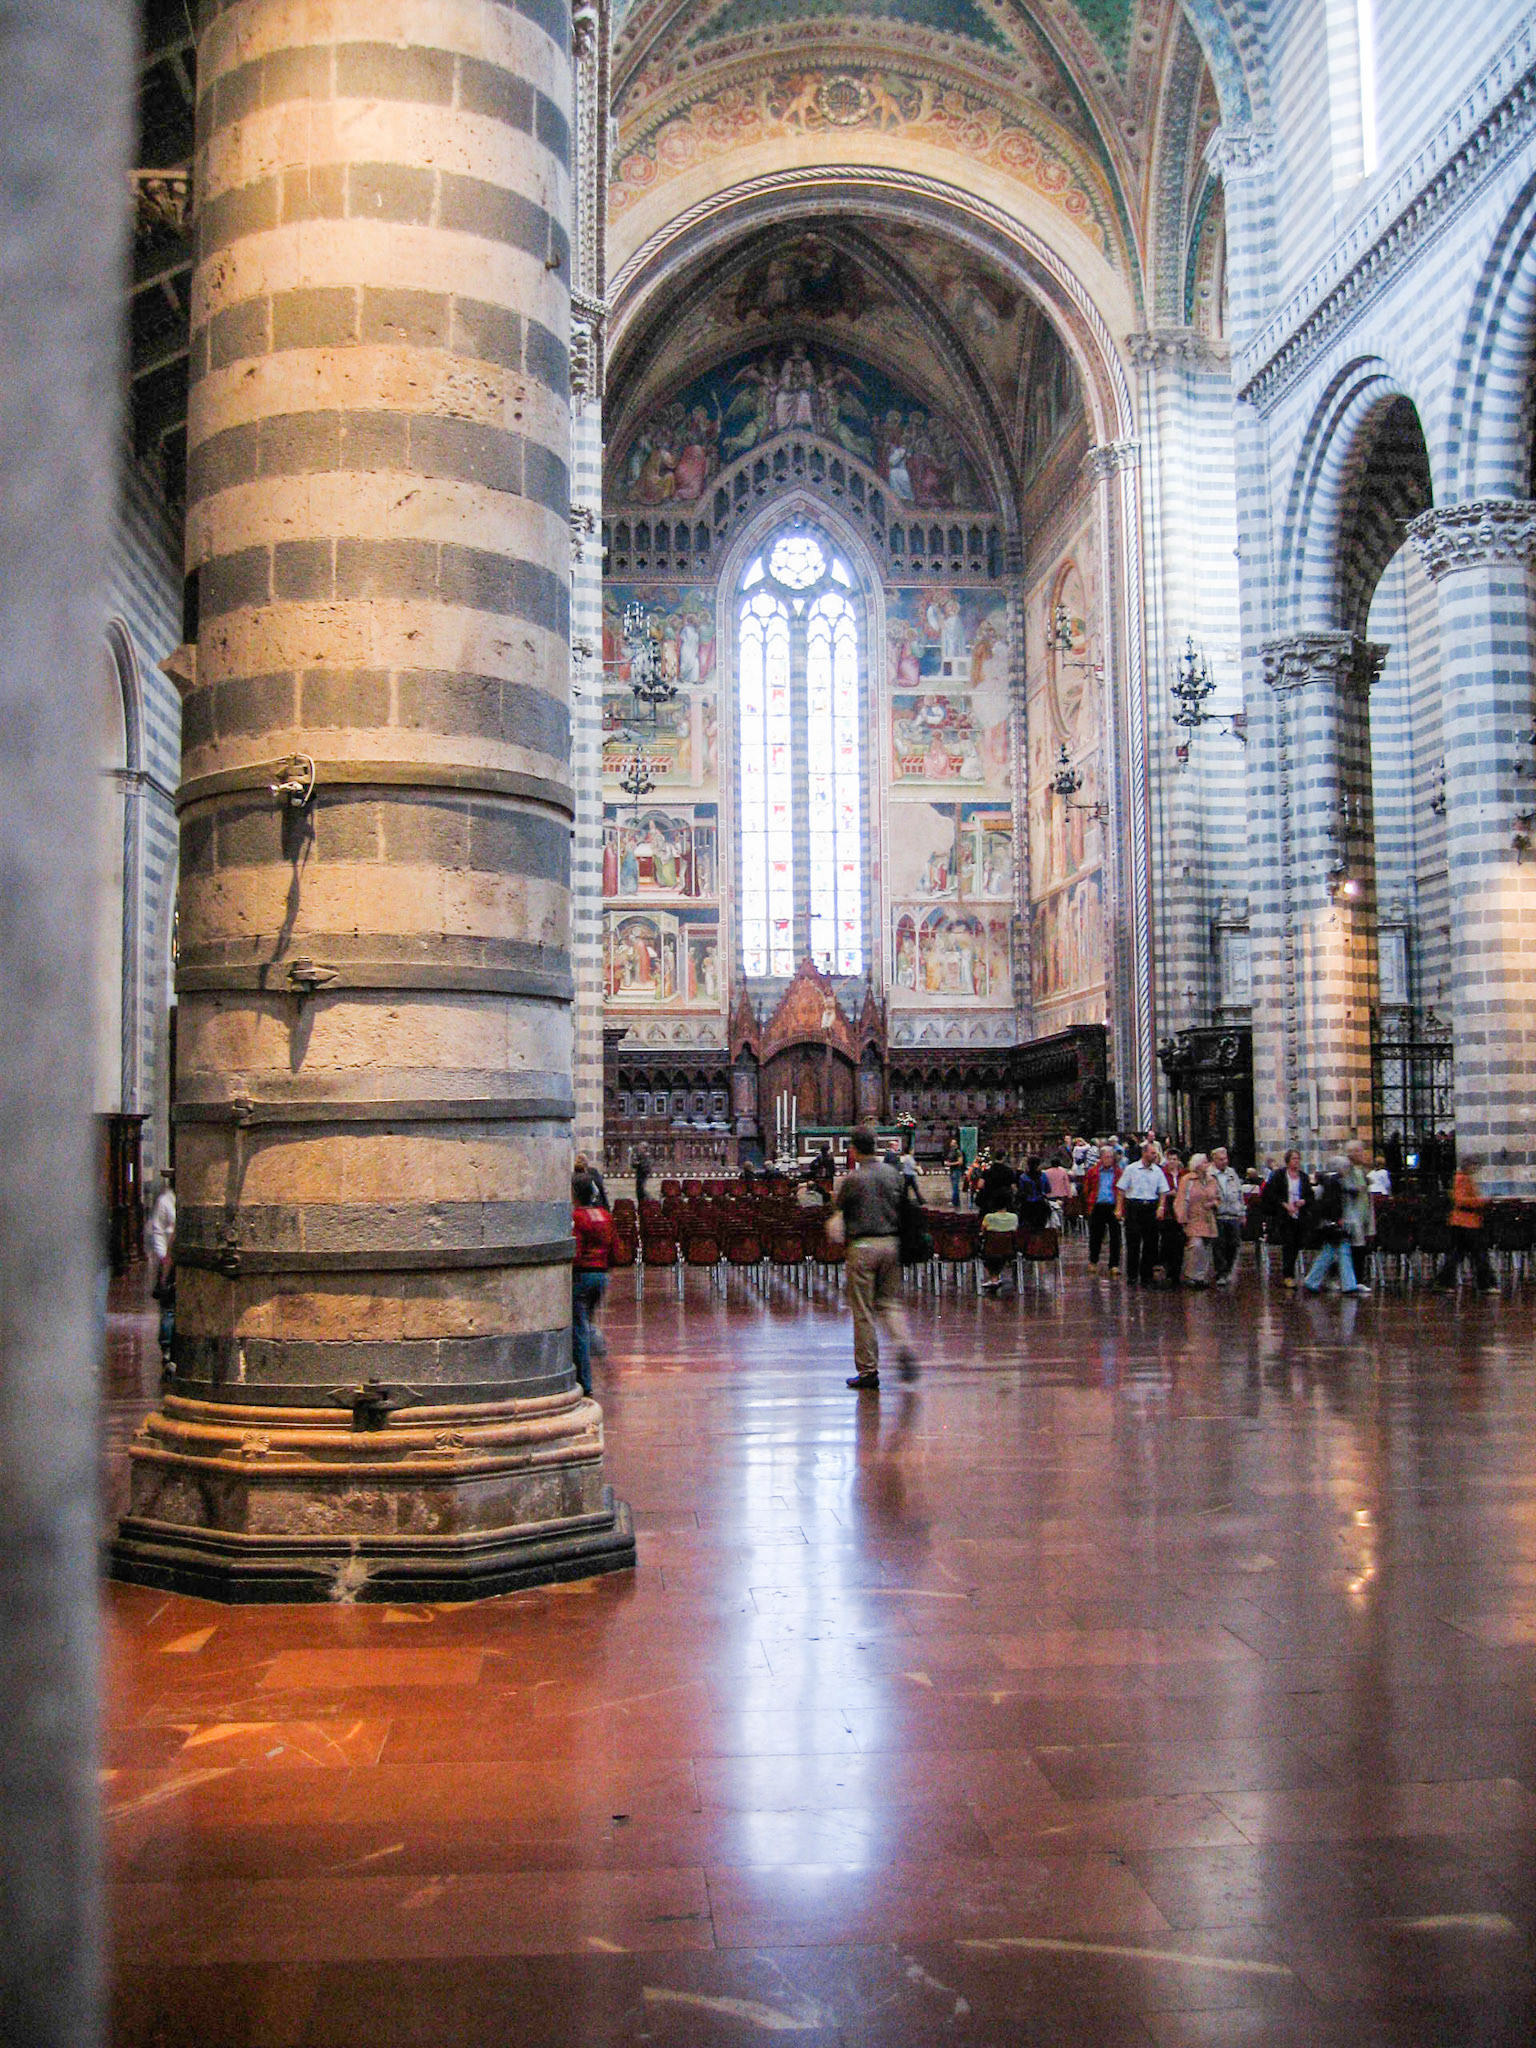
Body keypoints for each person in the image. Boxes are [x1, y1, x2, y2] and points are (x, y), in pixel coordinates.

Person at [834, 1127, 917, 1389]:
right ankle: (903, 1345)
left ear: (854, 1150)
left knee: (864, 1311)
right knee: (889, 1303)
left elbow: (839, 1211)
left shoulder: (853, 1179)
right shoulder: (892, 1174)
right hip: (891, 1244)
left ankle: (868, 1370)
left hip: (863, 1246)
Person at [571, 1172, 618, 1396]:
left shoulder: (577, 1216)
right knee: (587, 1322)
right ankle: (599, 1350)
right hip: (601, 1274)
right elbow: (614, 1246)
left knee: (579, 1328)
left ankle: (584, 1382)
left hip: (583, 1275)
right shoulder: (605, 1215)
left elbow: (577, 1250)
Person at [1302, 1155, 1367, 1296]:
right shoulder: (1335, 1182)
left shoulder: (1329, 1181)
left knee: (1332, 1251)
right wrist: (1337, 1218)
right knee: (1338, 1251)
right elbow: (1333, 1202)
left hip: (1329, 1223)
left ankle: (1314, 1280)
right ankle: (1347, 1284)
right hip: (1335, 1222)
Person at [1434, 1153, 1499, 1293]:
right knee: (1478, 1255)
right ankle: (1485, 1284)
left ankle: (1444, 1283)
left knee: (1457, 1255)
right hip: (1466, 1223)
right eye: (1474, 1165)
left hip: (1464, 1222)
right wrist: (1482, 1202)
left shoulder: (1464, 1178)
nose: (1476, 1168)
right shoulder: (1462, 1179)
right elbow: (1461, 1200)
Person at [1117, 1138, 1166, 1288]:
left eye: (1156, 1153)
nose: (1155, 1156)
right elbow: (1121, 1189)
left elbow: (1163, 1191)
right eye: (1152, 1153)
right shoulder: (1131, 1169)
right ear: (1144, 1153)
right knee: (1133, 1242)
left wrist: (1161, 1207)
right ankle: (1132, 1275)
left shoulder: (1158, 1171)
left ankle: (1147, 1275)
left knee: (1151, 1242)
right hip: (1134, 1206)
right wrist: (1119, 1208)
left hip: (1150, 1207)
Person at [1261, 1148, 1313, 1287]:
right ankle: (1288, 1275)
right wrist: (1284, 1204)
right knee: (1288, 1244)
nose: (1297, 1161)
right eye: (1294, 1158)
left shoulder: (1303, 1177)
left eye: (1298, 1158)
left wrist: (1303, 1201)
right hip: (1284, 1216)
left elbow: (1310, 1195)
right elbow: (1270, 1194)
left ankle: (1292, 1272)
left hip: (1299, 1215)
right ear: (1288, 1160)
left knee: (1296, 1244)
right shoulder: (1279, 1175)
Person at [1174, 1153, 1220, 1286]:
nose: (1207, 1165)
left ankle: (1201, 1276)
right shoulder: (1187, 1180)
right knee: (1196, 1245)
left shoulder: (1212, 1180)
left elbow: (1217, 1197)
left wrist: (1213, 1204)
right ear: (1198, 1165)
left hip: (1208, 1218)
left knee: (1205, 1247)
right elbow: (1181, 1200)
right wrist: (1182, 1218)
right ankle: (1192, 1274)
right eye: (1204, 1162)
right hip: (1193, 1217)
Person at [146, 1167, 176, 1367]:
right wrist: (164, 1256)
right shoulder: (165, 1201)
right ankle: (167, 1348)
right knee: (168, 1307)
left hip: (180, 1257)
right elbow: (158, 1230)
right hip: (169, 1258)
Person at [1209, 1146, 1245, 1286]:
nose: (1224, 1162)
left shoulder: (1232, 1173)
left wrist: (1242, 1212)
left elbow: (1240, 1194)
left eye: (1225, 1159)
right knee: (1219, 1246)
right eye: (1221, 1159)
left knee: (1233, 1244)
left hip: (1233, 1214)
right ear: (1214, 1160)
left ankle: (1229, 1269)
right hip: (1218, 1215)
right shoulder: (1210, 1174)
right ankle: (1221, 1273)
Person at [1083, 1144, 1120, 1272]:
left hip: (1113, 1205)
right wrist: (1089, 1202)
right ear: (1101, 1158)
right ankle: (1093, 1261)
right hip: (1097, 1205)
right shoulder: (1093, 1171)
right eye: (1106, 1157)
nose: (1109, 1160)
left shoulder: (1118, 1172)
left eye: (1111, 1157)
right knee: (1095, 1236)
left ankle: (1114, 1264)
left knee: (1115, 1237)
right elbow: (1087, 1188)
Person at [978, 1194, 1019, 1294]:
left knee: (989, 1253)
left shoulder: (988, 1217)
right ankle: (995, 1279)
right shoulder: (1014, 1217)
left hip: (990, 1249)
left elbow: (983, 1231)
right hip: (1009, 1249)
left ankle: (994, 1278)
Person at [1158, 1148, 1186, 1287]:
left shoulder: (1184, 1174)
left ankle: (1177, 1271)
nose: (1172, 1162)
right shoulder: (1162, 1174)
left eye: (1175, 1159)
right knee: (1167, 1241)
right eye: (1170, 1159)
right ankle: (1168, 1269)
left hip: (1180, 1212)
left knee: (1180, 1243)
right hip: (1167, 1213)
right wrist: (1169, 1193)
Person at [944, 1130, 964, 1208]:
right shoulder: (951, 1151)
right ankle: (957, 1201)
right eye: (951, 1142)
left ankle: (954, 1201)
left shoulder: (958, 1152)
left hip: (956, 1170)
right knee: (954, 1186)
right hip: (952, 1170)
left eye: (953, 1143)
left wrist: (950, 1164)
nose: (951, 1144)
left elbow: (960, 1162)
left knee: (955, 1186)